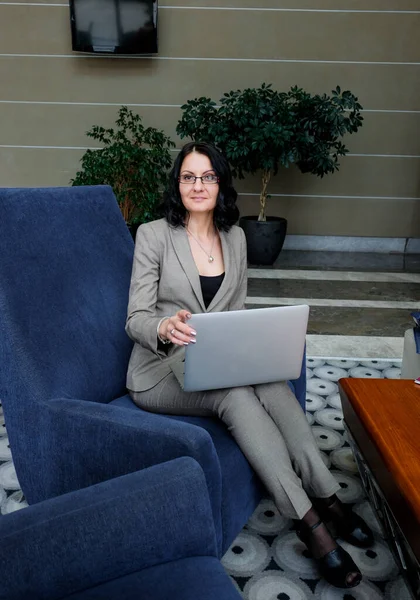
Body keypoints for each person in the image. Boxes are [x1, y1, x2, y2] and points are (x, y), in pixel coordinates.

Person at [125, 141, 373, 589]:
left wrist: (254, 347)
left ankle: (327, 495)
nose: (197, 186)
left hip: (217, 357)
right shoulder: (153, 235)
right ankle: (311, 523)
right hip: (160, 371)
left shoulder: (235, 238)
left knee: (274, 384)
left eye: (207, 177)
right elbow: (135, 317)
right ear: (176, 183)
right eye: (188, 176)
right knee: (235, 394)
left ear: (221, 184)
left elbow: (236, 310)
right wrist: (163, 327)